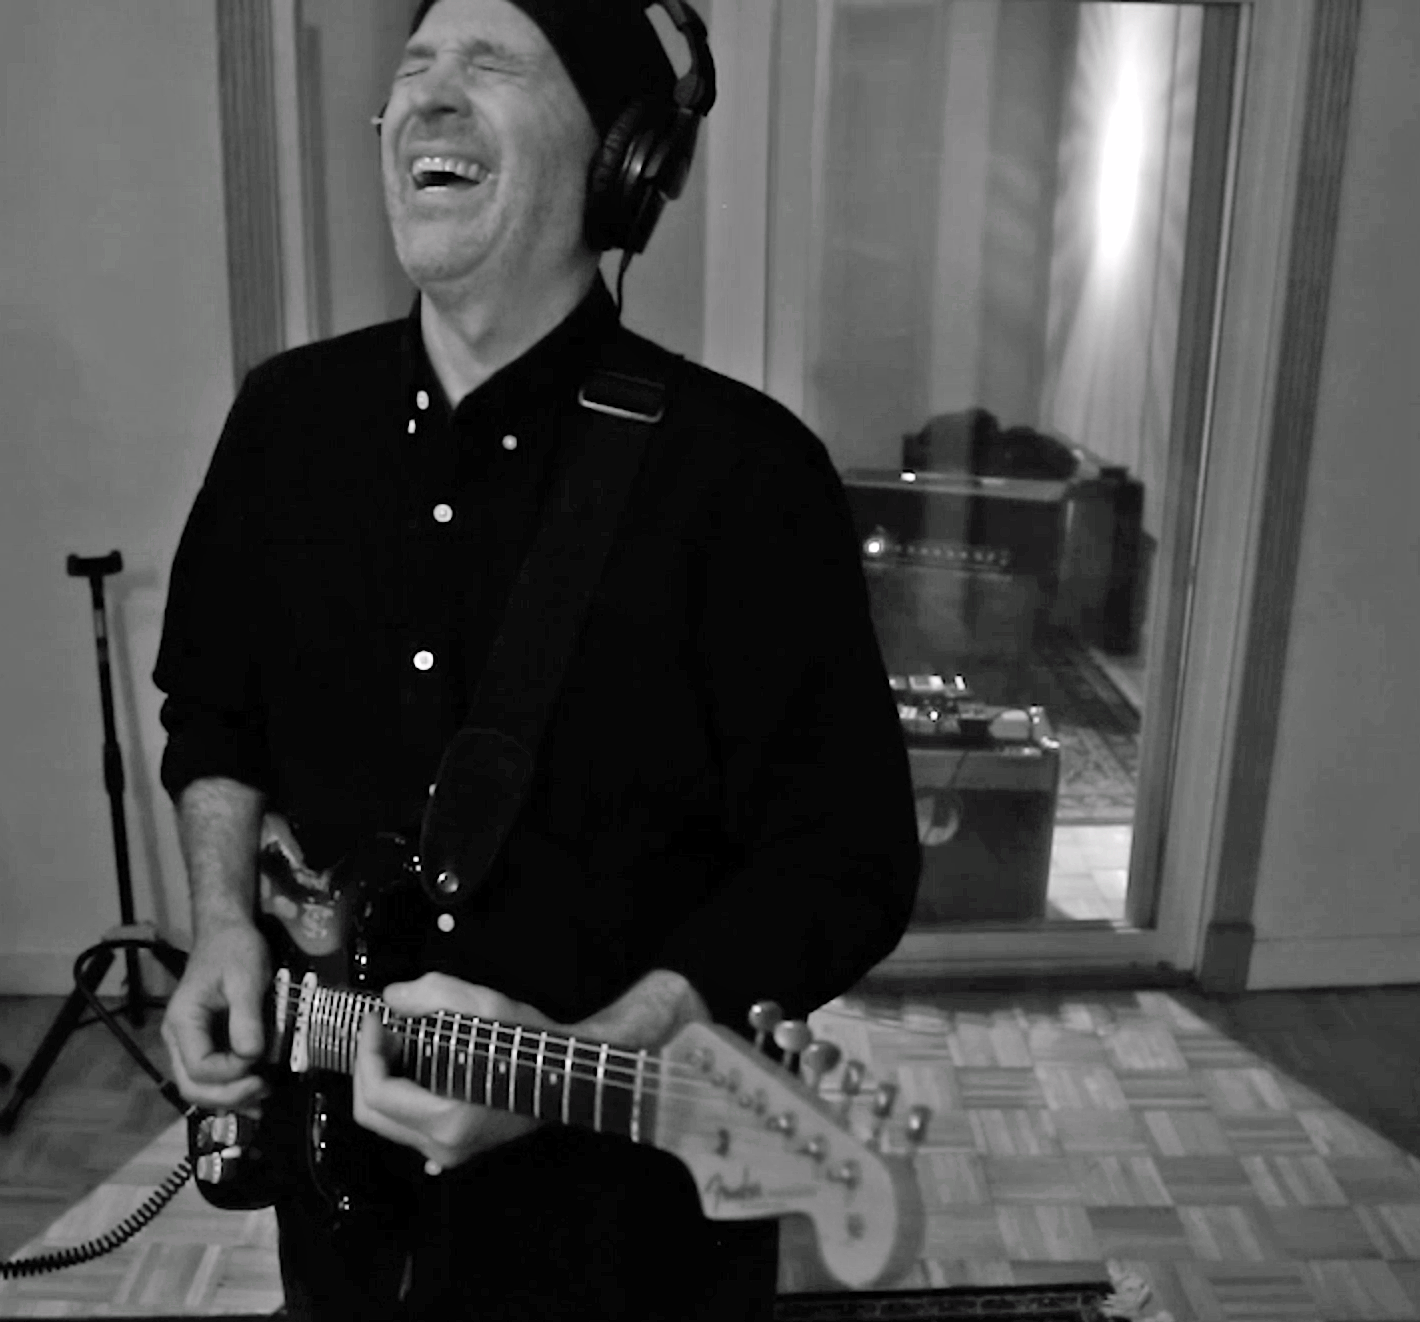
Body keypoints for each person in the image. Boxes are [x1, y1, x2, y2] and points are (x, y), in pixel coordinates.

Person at [153, 0, 920, 1317]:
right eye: (413, 71)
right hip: (340, 1220)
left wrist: (585, 1053)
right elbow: (214, 715)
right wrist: (224, 920)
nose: (430, 98)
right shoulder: (284, 422)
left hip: (627, 1230)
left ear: (619, 158)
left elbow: (845, 860)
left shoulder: (746, 478)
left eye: (491, 64)